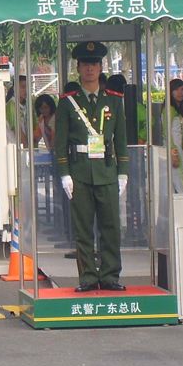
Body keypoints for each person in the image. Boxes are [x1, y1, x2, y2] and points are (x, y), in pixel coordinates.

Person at [54, 41, 129, 292]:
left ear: (100, 67)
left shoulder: (114, 101)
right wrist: (65, 173)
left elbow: (121, 140)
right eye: (85, 64)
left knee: (111, 228)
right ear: (78, 67)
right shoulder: (67, 102)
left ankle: (110, 275)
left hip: (107, 172)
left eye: (94, 64)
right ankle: (87, 277)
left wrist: (123, 173)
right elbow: (60, 143)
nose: (90, 69)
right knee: (83, 229)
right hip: (80, 173)